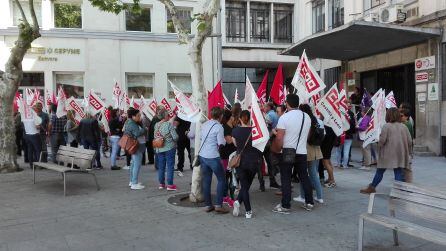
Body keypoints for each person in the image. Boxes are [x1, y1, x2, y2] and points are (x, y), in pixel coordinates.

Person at [273, 94, 313, 214]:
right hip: (302, 151)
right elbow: (308, 134)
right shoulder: (306, 116)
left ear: (287, 103)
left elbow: (279, 138)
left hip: (288, 150)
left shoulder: (284, 117)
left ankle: (285, 205)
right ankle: (309, 202)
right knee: (304, 177)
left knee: (286, 178)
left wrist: (276, 148)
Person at [360, 108, 412, 194]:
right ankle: (397, 192)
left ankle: (372, 187)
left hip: (387, 154)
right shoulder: (404, 127)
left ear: (388, 115)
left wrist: (378, 142)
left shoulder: (386, 126)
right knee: (398, 172)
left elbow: (382, 141)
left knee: (380, 171)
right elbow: (410, 141)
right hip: (400, 154)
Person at [231, 110, 263, 219]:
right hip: (254, 161)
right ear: (249, 118)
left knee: (244, 186)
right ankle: (242, 206)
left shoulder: (235, 131)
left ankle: (244, 207)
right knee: (246, 186)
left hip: (241, 161)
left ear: (240, 118)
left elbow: (235, 145)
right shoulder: (255, 131)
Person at [199, 107, 229, 214]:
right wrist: (226, 141)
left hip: (203, 155)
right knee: (221, 179)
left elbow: (201, 138)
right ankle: (218, 205)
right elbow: (221, 142)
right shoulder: (219, 127)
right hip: (213, 156)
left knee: (207, 180)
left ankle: (208, 205)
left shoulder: (205, 124)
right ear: (220, 116)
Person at [293, 104, 324, 204]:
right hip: (317, 149)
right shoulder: (316, 120)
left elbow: (305, 136)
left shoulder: (306, 120)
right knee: (314, 174)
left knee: (303, 173)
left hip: (307, 149)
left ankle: (303, 196)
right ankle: (319, 196)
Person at [154, 108, 178, 191]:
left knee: (161, 166)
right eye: (168, 115)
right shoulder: (168, 125)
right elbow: (175, 137)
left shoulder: (156, 124)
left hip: (160, 148)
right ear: (165, 116)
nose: (169, 116)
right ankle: (170, 185)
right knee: (170, 166)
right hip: (169, 148)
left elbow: (156, 136)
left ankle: (161, 184)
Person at [124, 108, 147, 190]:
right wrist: (144, 129)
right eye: (138, 115)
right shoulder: (132, 123)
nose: (139, 117)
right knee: (136, 164)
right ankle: (134, 183)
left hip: (134, 145)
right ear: (133, 116)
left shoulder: (129, 122)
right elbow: (137, 133)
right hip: (136, 146)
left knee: (133, 164)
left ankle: (132, 181)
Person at [219, 110, 237, 205]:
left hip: (234, 155)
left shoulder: (234, 127)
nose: (235, 118)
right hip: (225, 156)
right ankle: (224, 196)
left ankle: (231, 195)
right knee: (226, 176)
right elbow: (229, 141)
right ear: (230, 117)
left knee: (232, 176)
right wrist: (238, 139)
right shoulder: (224, 127)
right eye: (233, 116)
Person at [263, 102, 280, 189]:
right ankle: (272, 181)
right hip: (269, 141)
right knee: (270, 161)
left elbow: (268, 127)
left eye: (265, 106)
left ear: (269, 107)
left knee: (268, 161)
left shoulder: (268, 116)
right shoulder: (273, 114)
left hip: (266, 141)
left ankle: (263, 184)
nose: (263, 107)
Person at [400, 108, 414, 182]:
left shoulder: (406, 125)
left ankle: (407, 182)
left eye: (402, 116)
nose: (400, 117)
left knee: (407, 167)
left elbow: (408, 139)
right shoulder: (405, 124)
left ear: (406, 117)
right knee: (406, 166)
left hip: (406, 148)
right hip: (406, 148)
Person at [341, 101, 356, 169]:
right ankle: (344, 164)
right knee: (346, 150)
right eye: (349, 106)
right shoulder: (351, 113)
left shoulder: (340, 112)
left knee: (341, 150)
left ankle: (340, 163)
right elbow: (353, 125)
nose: (350, 107)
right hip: (347, 134)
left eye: (350, 106)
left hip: (342, 134)